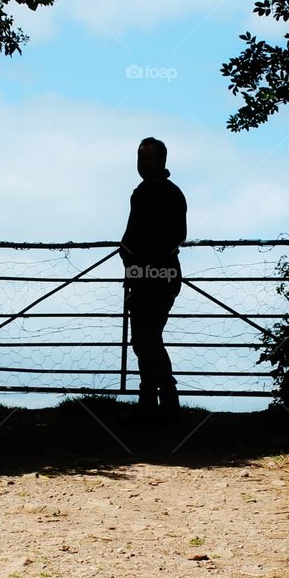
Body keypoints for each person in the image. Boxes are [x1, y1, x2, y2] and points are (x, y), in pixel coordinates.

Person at [119, 137, 187, 423]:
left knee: (145, 339)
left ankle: (161, 399)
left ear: (161, 161)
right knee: (147, 338)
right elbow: (175, 236)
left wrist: (134, 258)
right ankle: (156, 400)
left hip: (150, 275)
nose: (142, 163)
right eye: (140, 157)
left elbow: (169, 236)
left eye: (147, 158)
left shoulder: (149, 193)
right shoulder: (167, 192)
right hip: (156, 274)